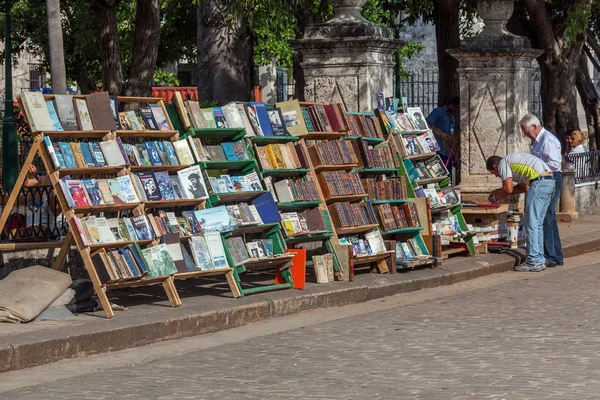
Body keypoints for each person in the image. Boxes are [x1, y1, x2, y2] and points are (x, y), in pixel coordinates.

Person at [486, 153, 554, 272]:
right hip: (548, 182)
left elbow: (508, 188)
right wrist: (499, 191)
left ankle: (533, 261)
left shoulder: (503, 163)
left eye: (494, 172)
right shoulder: (515, 163)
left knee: (532, 223)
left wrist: (495, 198)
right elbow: (523, 188)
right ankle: (539, 259)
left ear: (495, 166)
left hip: (538, 184)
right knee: (537, 224)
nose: (497, 176)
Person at [520, 114, 564, 268]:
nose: (524, 134)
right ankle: (555, 255)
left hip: (550, 178)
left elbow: (553, 163)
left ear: (533, 126)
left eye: (525, 130)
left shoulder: (547, 140)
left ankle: (550, 255)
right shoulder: (537, 142)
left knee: (544, 216)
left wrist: (537, 169)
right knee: (548, 217)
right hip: (544, 178)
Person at [426, 96, 460, 172]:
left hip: (448, 152)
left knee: (448, 173)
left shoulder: (452, 116)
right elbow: (427, 124)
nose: (457, 110)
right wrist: (439, 133)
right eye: (456, 107)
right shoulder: (438, 112)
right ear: (452, 104)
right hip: (437, 150)